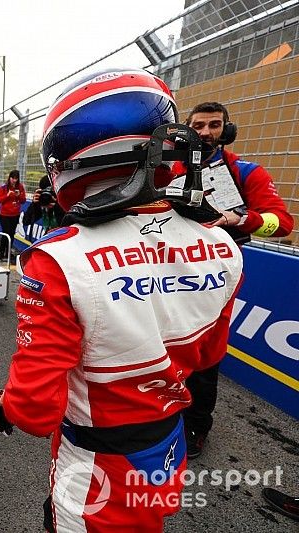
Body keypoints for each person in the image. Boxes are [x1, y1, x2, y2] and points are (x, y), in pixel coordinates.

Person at [0, 68, 244, 532]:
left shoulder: (58, 259)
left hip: (98, 463)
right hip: (167, 445)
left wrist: (4, 405)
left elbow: (34, 410)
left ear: (68, 162)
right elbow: (207, 354)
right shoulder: (224, 248)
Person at [175, 101, 294, 459]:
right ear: (187, 131)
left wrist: (238, 219)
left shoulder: (246, 171)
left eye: (214, 125)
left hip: (219, 274)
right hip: (168, 268)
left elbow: (283, 224)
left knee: (206, 353)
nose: (206, 132)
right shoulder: (168, 169)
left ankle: (196, 425)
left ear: (226, 130)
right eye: (198, 126)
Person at [22, 175, 66, 241]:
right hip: (49, 238)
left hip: (63, 240)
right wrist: (34, 204)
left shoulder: (65, 204)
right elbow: (26, 221)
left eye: (51, 192)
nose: (46, 196)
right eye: (44, 192)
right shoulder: (42, 203)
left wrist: (57, 206)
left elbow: (67, 226)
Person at [0, 169, 26, 260]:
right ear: (10, 178)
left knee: (12, 234)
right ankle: (1, 252)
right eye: (13, 178)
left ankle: (8, 252)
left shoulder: (20, 187)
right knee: (6, 232)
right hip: (5, 215)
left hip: (15, 215)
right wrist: (7, 195)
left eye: (16, 178)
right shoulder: (4, 187)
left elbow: (23, 200)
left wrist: (19, 195)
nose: (14, 180)